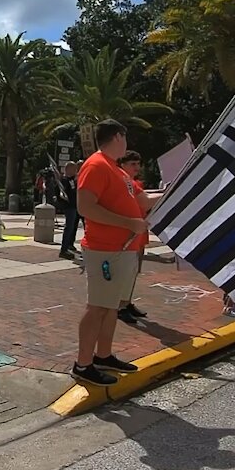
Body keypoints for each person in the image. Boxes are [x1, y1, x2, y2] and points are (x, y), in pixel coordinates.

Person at [72, 120, 157, 387]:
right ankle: (83, 364)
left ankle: (103, 355)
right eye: (126, 137)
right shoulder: (96, 165)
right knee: (98, 306)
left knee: (109, 307)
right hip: (105, 250)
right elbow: (85, 207)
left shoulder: (116, 170)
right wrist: (129, 224)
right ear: (118, 136)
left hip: (121, 251)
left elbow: (142, 202)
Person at [115, 151, 150, 325]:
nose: (137, 168)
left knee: (134, 270)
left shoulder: (135, 184)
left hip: (140, 231)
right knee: (126, 271)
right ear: (123, 164)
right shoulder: (121, 182)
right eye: (132, 164)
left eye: (138, 164)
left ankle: (127, 302)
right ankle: (120, 306)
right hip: (128, 233)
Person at [57, 162, 80, 260]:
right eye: (74, 169)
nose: (76, 171)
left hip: (74, 206)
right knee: (69, 227)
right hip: (69, 206)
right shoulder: (65, 180)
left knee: (71, 227)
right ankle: (64, 249)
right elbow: (67, 193)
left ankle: (67, 246)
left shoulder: (72, 180)